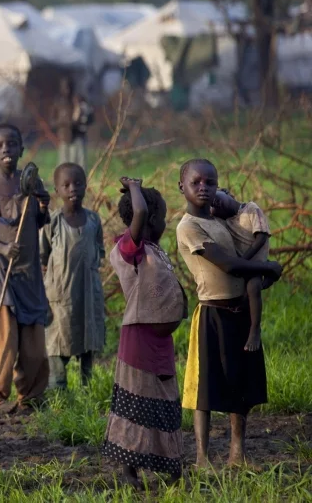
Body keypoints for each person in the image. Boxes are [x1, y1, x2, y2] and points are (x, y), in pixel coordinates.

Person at [176, 158, 282, 467]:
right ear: (182, 187)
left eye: (210, 182)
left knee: (241, 386)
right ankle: (202, 459)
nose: (203, 188)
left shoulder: (220, 219)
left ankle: (237, 454)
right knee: (205, 392)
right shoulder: (189, 227)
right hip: (213, 312)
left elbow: (248, 243)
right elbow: (231, 265)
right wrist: (269, 268)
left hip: (240, 310)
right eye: (196, 182)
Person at [102, 178, 186, 488]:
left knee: (163, 399)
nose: (166, 221)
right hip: (138, 340)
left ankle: (171, 464)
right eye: (162, 215)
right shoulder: (129, 247)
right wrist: (135, 188)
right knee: (136, 403)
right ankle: (129, 470)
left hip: (160, 340)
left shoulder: (153, 250)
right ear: (150, 219)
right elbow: (138, 213)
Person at [0, 123, 51, 417]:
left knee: (32, 341)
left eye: (12, 144)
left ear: (22, 149)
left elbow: (39, 222)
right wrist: (1, 248)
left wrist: (43, 205)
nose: (6, 149)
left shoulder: (30, 183)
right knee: (2, 339)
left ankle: (31, 395)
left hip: (28, 273)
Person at [40, 163, 105, 389]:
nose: (72, 189)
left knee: (89, 333)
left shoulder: (94, 220)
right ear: (56, 190)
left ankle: (89, 385)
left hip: (88, 291)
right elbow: (43, 256)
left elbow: (99, 250)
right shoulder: (52, 222)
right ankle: (57, 385)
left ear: (86, 186)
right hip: (61, 292)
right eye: (65, 185)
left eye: (77, 183)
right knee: (59, 336)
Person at [211, 189, 270, 352]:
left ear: (228, 193)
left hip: (256, 262)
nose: (214, 204)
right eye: (212, 206)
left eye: (216, 197)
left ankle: (255, 329)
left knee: (253, 286)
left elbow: (261, 238)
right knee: (242, 295)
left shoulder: (251, 208)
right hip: (242, 265)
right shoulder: (225, 221)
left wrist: (245, 260)